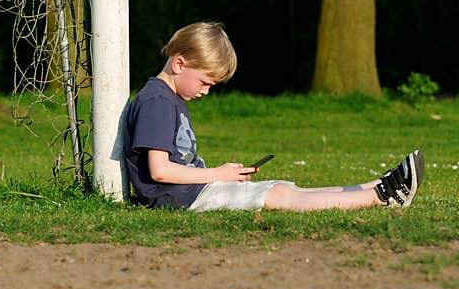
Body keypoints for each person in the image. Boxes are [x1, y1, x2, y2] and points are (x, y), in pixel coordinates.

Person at [122, 21, 424, 212]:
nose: (205, 92)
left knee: (286, 188)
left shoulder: (166, 98)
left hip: (193, 192)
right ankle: (382, 196)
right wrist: (218, 173)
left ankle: (373, 186)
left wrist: (222, 175)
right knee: (280, 195)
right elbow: (160, 171)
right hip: (182, 199)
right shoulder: (157, 102)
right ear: (179, 64)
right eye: (205, 82)